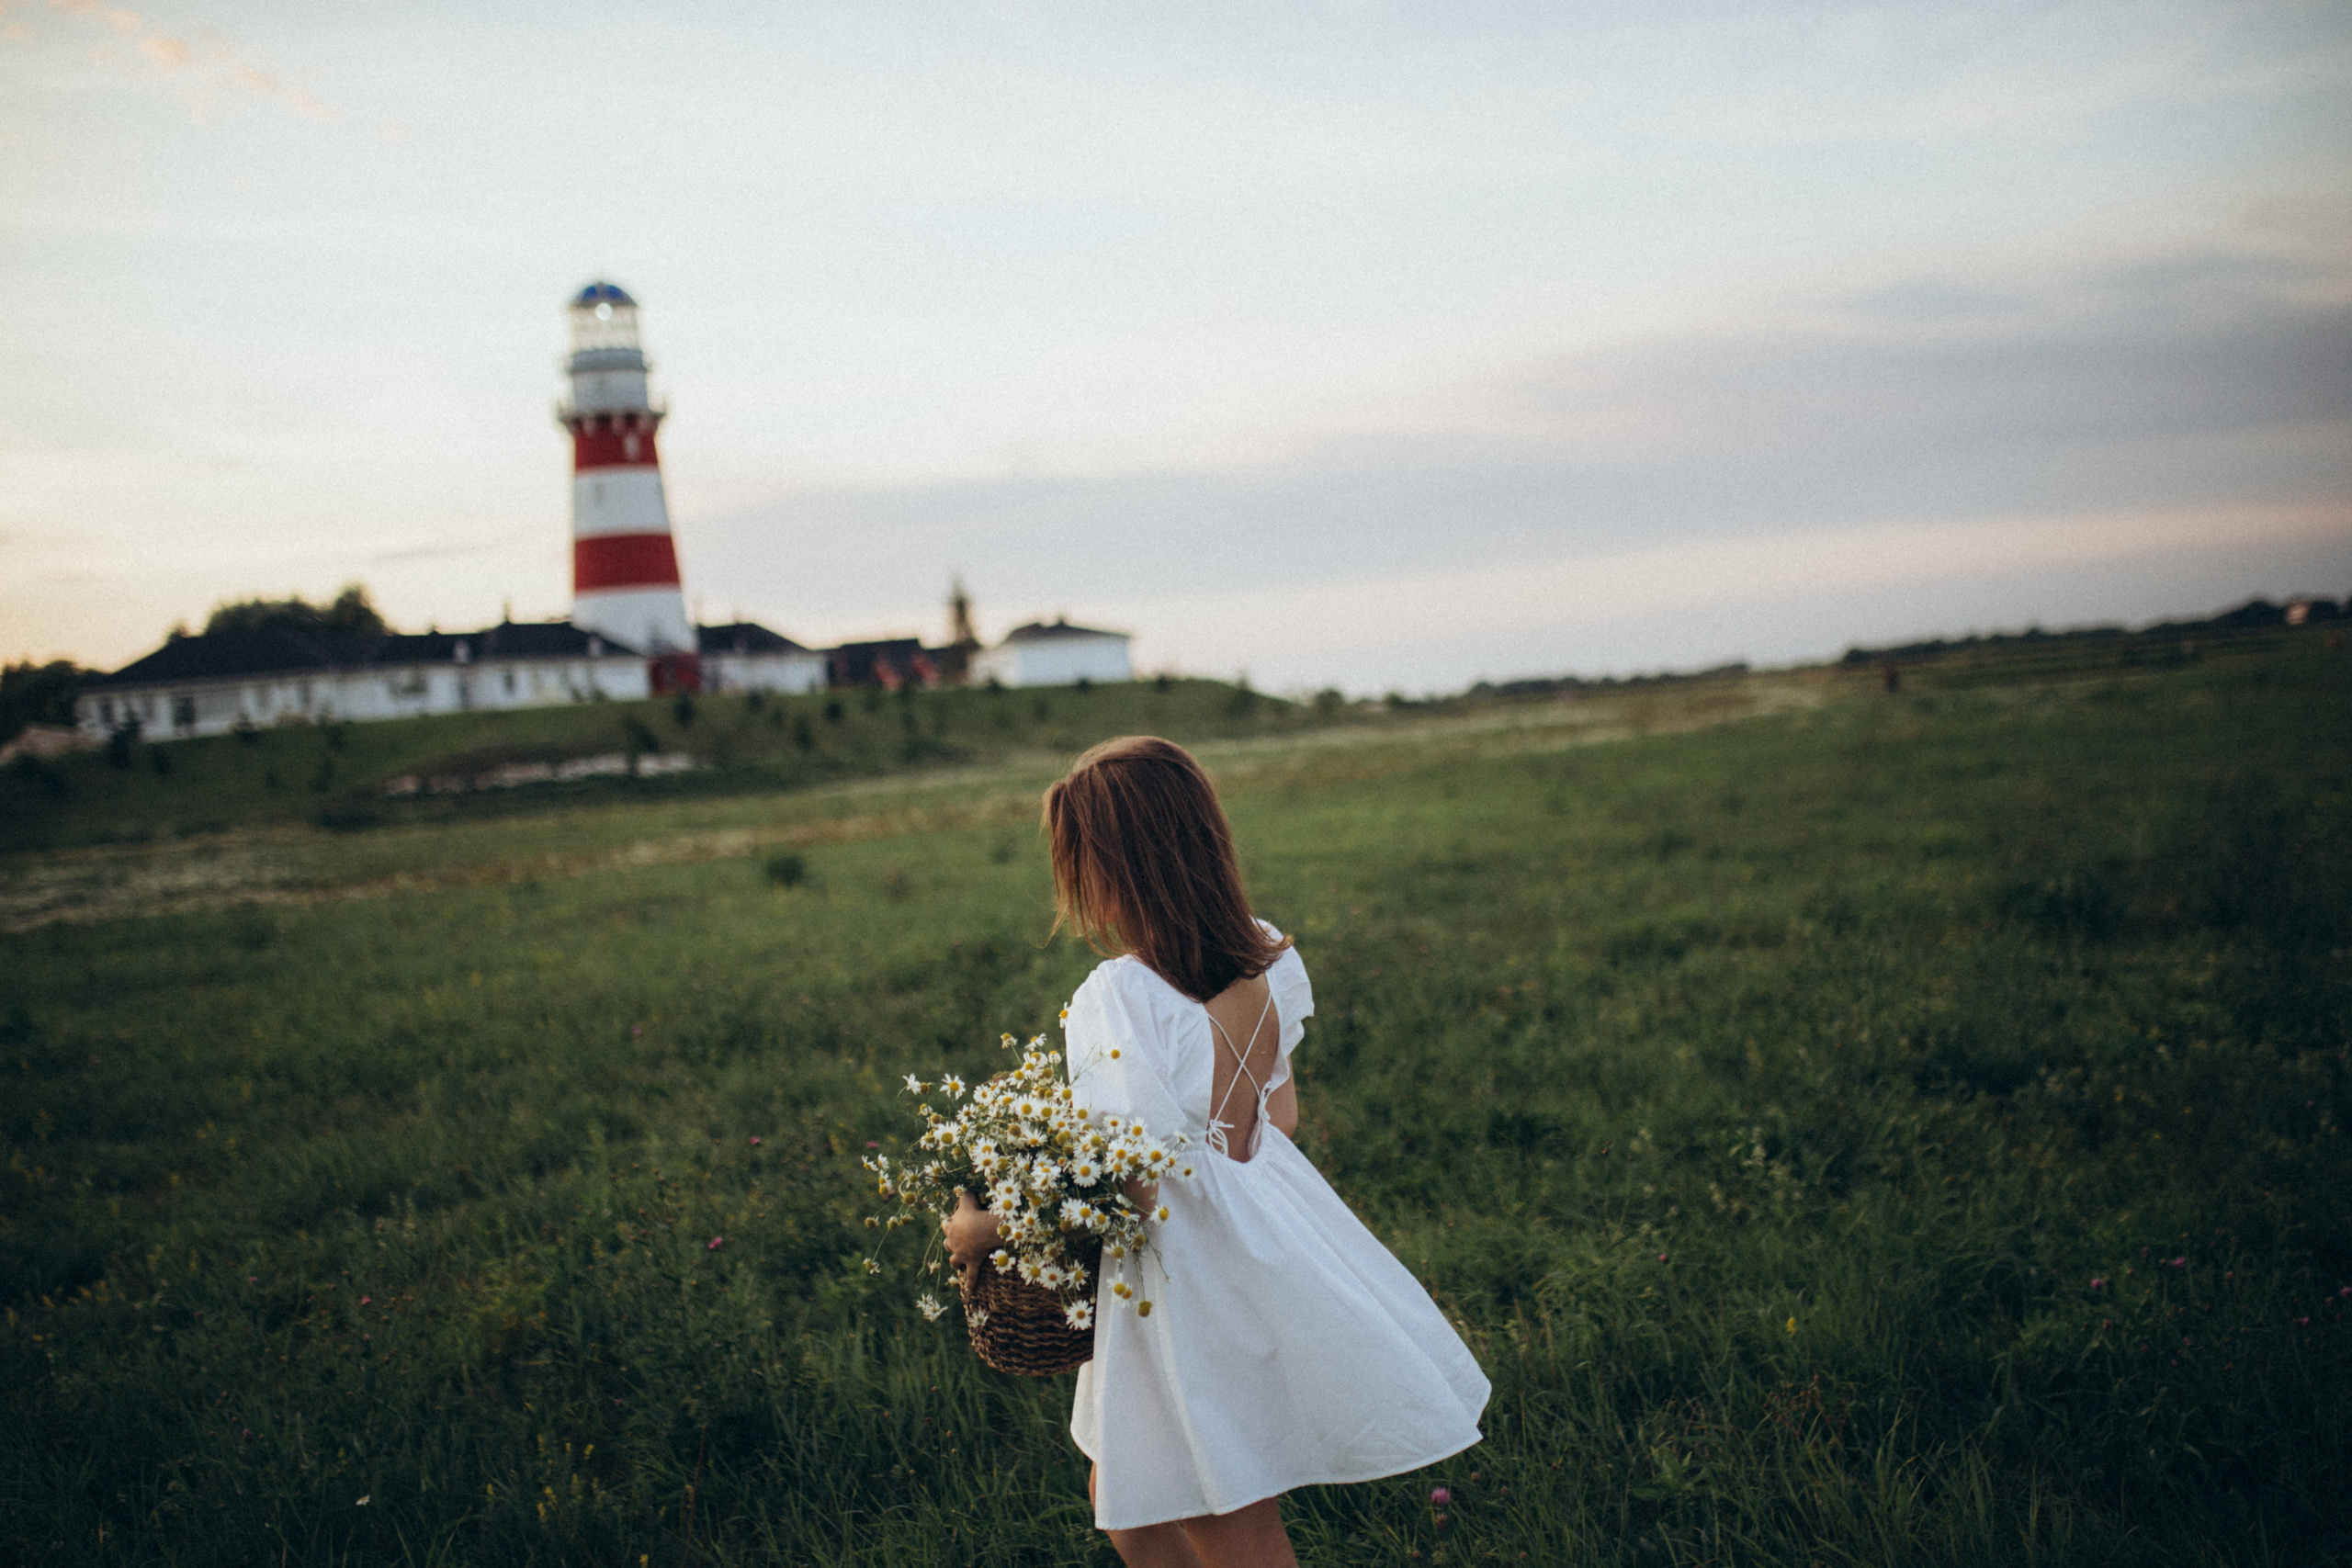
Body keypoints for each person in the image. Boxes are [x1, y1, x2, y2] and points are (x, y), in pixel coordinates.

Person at [944, 736, 1490, 1568]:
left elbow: (1123, 1178)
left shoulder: (1119, 995)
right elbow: (1282, 1116)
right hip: (1251, 1234)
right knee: (1128, 1501)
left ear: (1118, 867)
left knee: (1220, 1511)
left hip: (1179, 1273)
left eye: (1080, 862)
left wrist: (983, 1232)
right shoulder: (1263, 956)